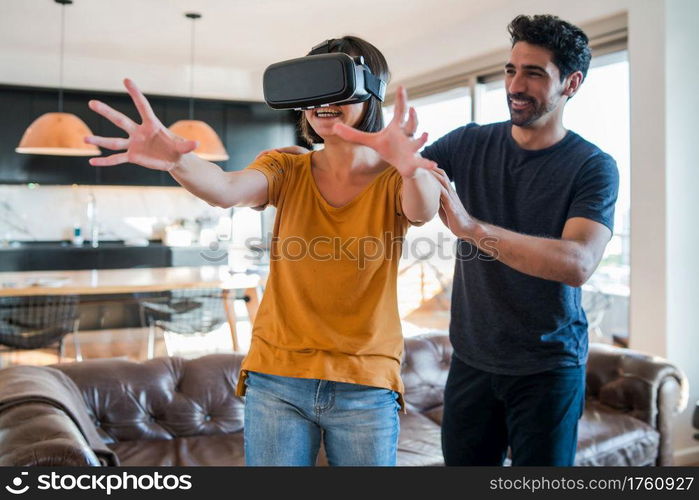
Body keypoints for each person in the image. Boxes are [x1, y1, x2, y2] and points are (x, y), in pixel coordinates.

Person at [85, 35, 440, 466]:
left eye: (336, 83)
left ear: (373, 90)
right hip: (276, 377)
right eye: (312, 88)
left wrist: (407, 165)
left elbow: (421, 210)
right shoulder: (286, 167)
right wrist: (178, 162)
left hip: (364, 380)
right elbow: (225, 188)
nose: (322, 100)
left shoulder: (400, 177)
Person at [281, 14, 619, 466]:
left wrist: (472, 228)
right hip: (471, 359)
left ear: (571, 83)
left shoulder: (592, 166)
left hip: (548, 367)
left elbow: (577, 263)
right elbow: (386, 177)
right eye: (510, 70)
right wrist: (310, 159)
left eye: (534, 73)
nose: (515, 85)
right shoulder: (469, 143)